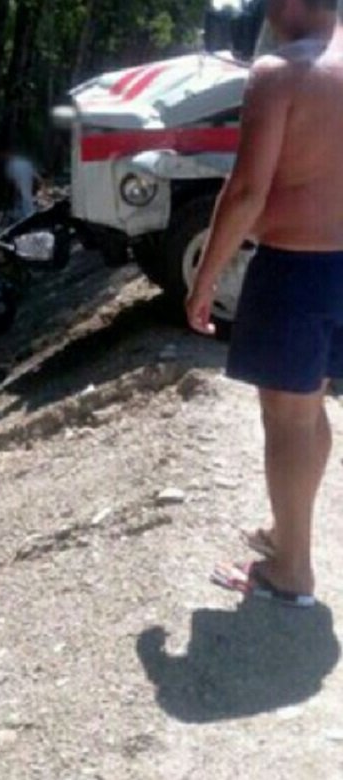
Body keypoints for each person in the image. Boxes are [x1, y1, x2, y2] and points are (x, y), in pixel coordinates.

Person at [186, 0, 340, 608]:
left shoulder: (281, 73)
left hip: (297, 270)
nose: (269, 12)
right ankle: (286, 531)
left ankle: (291, 570)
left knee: (288, 418)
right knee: (309, 406)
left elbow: (248, 189)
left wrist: (205, 278)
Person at [2, 150, 43, 220]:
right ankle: (26, 212)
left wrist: (14, 183)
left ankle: (27, 213)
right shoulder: (23, 162)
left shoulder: (12, 164)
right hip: (26, 179)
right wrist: (38, 178)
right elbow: (32, 171)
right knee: (25, 195)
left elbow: (10, 176)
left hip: (21, 180)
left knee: (24, 196)